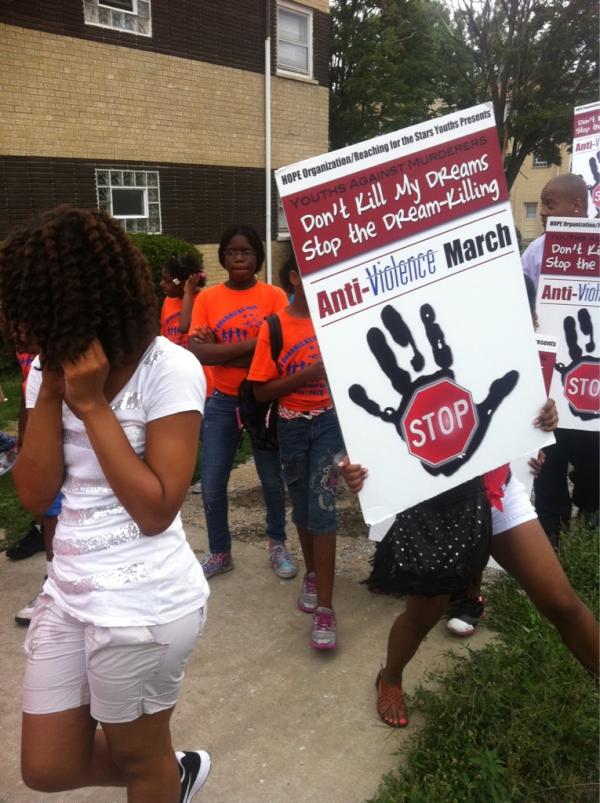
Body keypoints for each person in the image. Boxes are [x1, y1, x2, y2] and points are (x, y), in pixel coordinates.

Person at [0, 205, 211, 802]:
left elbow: (156, 509)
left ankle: (163, 775)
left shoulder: (168, 369)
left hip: (144, 605)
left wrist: (92, 406)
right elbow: (36, 496)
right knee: (46, 768)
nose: (21, 327)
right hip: (69, 591)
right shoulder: (47, 370)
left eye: (33, 309)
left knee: (138, 758)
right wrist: (51, 393)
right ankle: (173, 773)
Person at [340, 397, 599, 728]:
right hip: (434, 509)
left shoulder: (486, 346)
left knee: (563, 604)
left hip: (496, 493)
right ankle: (389, 677)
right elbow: (373, 423)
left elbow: (511, 395)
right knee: (423, 617)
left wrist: (537, 420)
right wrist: (361, 468)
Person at [188, 224, 296, 580]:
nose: (238, 258)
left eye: (246, 251)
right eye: (232, 252)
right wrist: (257, 343)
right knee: (213, 480)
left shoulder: (275, 297)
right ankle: (220, 552)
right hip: (222, 400)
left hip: (263, 402)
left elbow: (281, 354)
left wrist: (222, 351)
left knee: (270, 478)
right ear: (222, 256)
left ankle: (277, 542)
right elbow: (199, 352)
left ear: (258, 257)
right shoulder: (208, 299)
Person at [248, 254, 344, 649]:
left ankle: (325, 607)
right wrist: (306, 375)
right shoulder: (274, 326)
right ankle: (312, 573)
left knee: (323, 506)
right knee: (302, 506)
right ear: (293, 278)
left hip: (329, 424)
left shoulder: (336, 321)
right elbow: (260, 391)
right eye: (313, 274)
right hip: (290, 426)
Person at [522, 173, 599, 545]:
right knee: (549, 454)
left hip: (592, 383)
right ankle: (551, 530)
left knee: (592, 453)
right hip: (550, 379)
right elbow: (517, 301)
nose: (544, 213)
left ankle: (590, 509)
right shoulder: (534, 253)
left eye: (550, 204)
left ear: (576, 206)